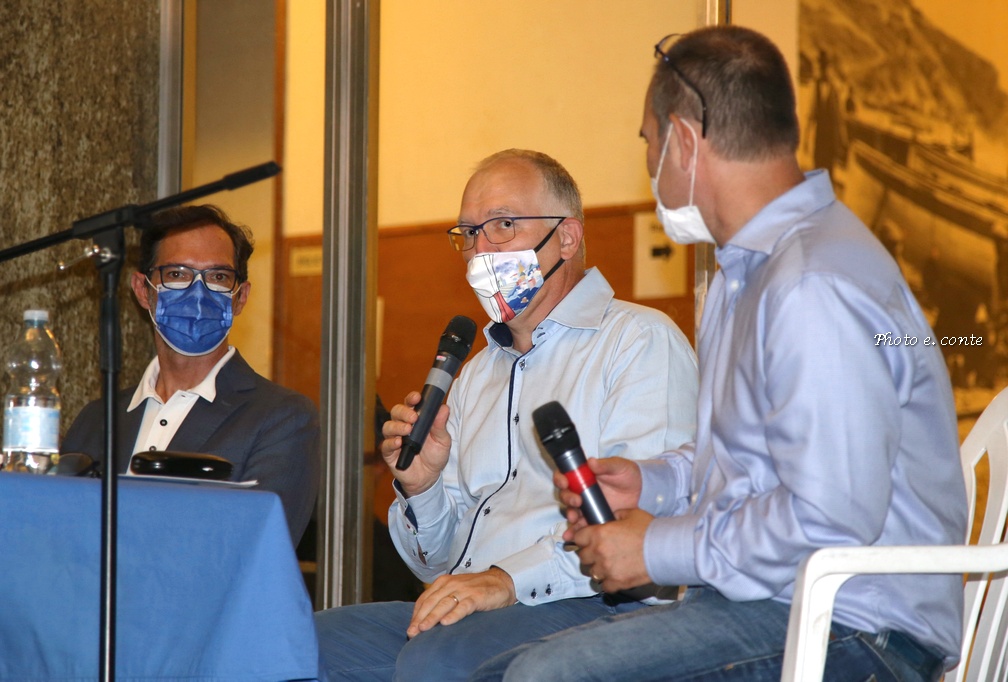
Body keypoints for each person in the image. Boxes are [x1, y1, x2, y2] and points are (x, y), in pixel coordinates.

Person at [471, 26, 967, 682]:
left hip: (853, 629)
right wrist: (654, 481)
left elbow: (829, 519)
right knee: (488, 673)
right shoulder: (754, 273)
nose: (651, 162)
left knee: (541, 678)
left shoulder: (812, 283)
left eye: (649, 142)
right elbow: (760, 466)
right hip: (771, 605)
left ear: (683, 140)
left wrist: (657, 548)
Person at [314, 149, 699, 680]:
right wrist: (422, 487)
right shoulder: (475, 375)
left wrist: (506, 580)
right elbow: (435, 562)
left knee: (437, 660)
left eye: (502, 225)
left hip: (599, 604)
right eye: (469, 233)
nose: (480, 251)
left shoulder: (638, 341)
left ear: (567, 237)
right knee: (298, 643)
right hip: (474, 607)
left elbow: (636, 527)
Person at [61, 204, 320, 544]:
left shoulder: (282, 418)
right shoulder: (96, 419)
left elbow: (253, 548)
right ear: (142, 290)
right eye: (178, 274)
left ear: (240, 298)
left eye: (218, 277)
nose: (198, 294)